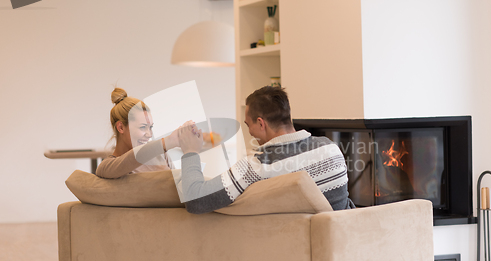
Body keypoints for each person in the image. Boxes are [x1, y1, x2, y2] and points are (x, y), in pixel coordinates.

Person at [178, 86, 355, 214]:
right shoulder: (331, 149)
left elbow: (195, 200)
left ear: (261, 123)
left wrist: (190, 151)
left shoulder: (257, 166)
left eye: (249, 125)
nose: (249, 132)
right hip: (345, 246)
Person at [96, 87, 191, 179]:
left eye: (150, 127)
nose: (149, 134)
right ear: (121, 127)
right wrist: (169, 141)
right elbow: (133, 157)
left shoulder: (161, 156)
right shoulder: (106, 168)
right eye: (143, 127)